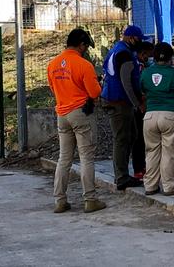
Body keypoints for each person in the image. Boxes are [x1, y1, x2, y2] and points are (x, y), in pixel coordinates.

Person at [47, 28, 105, 213]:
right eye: (86, 46)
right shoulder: (84, 65)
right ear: (81, 45)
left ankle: (60, 200)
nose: (86, 50)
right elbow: (95, 92)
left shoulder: (53, 64)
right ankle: (90, 199)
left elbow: (53, 88)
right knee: (86, 157)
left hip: (62, 114)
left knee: (64, 158)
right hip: (80, 113)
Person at [140, 42, 174, 196]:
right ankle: (169, 186)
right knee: (169, 151)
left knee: (152, 152)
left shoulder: (146, 72)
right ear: (170, 58)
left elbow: (142, 88)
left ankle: (150, 186)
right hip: (171, 114)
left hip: (150, 116)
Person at [101, 25, 145, 190]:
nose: (139, 43)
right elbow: (126, 82)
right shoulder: (125, 54)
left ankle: (123, 173)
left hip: (114, 98)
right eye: (138, 40)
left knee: (131, 135)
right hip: (119, 101)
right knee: (122, 138)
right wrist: (137, 103)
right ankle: (122, 177)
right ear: (132, 38)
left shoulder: (115, 50)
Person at [132, 40, 154, 180]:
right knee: (139, 138)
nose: (149, 58)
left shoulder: (140, 65)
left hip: (141, 104)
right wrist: (140, 102)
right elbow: (138, 85)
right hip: (139, 106)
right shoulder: (138, 67)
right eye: (148, 55)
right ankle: (139, 168)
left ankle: (142, 166)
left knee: (142, 138)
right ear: (142, 53)